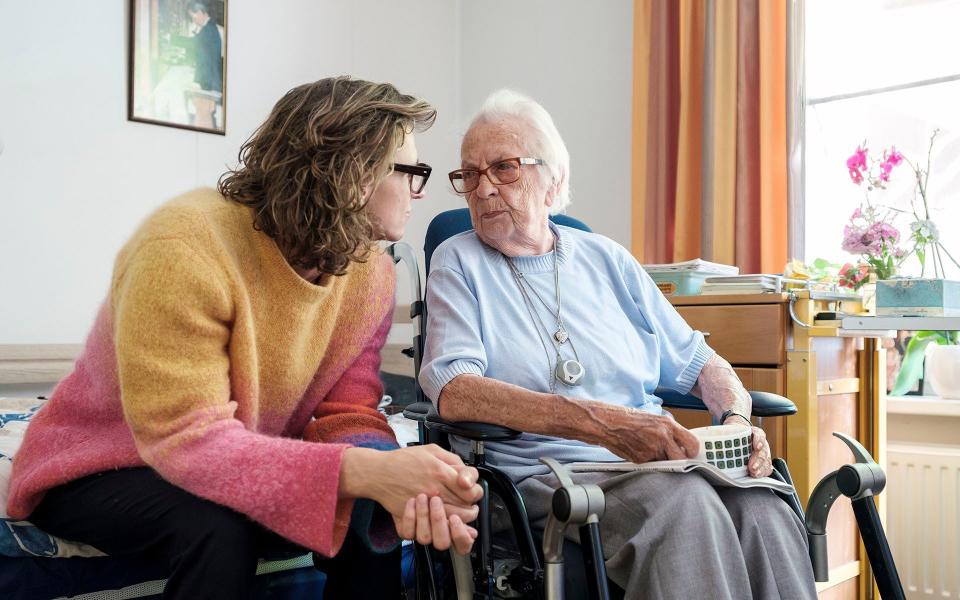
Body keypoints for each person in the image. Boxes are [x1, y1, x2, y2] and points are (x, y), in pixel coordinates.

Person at [8, 76, 481, 600]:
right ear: (353, 174)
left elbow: (348, 411)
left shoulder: (368, 270)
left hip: (225, 450)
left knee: (367, 512)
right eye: (411, 171)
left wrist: (390, 476)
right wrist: (365, 471)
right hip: (99, 464)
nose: (420, 190)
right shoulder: (185, 247)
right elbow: (186, 440)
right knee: (218, 524)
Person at [418, 89, 817, 599]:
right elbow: (455, 391)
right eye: (469, 174)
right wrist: (600, 423)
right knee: (682, 501)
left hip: (654, 465)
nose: (483, 188)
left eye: (504, 168)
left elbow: (703, 364)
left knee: (763, 504)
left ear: (553, 180)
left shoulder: (607, 258)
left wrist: (737, 420)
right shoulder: (458, 261)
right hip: (546, 474)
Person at [186, 2, 222, 129]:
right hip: (210, 80)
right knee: (207, 116)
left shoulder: (209, 30)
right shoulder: (209, 28)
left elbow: (208, 60)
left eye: (194, 17)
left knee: (204, 116)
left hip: (209, 82)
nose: (193, 20)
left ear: (201, 13)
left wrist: (198, 83)